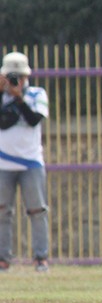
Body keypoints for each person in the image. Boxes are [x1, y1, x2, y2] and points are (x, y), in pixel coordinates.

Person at [0, 52, 50, 272]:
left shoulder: (36, 94)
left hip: (31, 162)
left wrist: (18, 97)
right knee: (2, 212)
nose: (15, 80)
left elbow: (34, 119)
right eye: (11, 76)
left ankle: (41, 258)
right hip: (3, 163)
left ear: (26, 76)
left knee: (37, 211)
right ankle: (3, 259)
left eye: (18, 76)